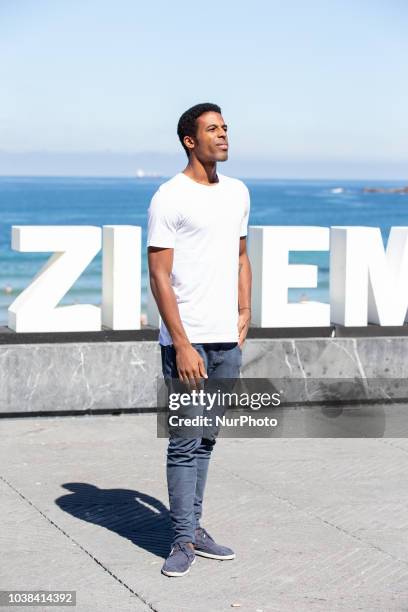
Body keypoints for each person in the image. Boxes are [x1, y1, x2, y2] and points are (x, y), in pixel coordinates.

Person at [147, 102, 252, 577]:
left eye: (225, 127)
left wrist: (246, 310)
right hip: (187, 343)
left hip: (227, 340)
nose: (224, 135)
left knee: (207, 438)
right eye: (213, 129)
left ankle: (194, 525)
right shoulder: (169, 196)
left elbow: (241, 256)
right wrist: (183, 343)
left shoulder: (238, 192)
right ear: (190, 140)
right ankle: (181, 539)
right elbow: (159, 274)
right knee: (183, 442)